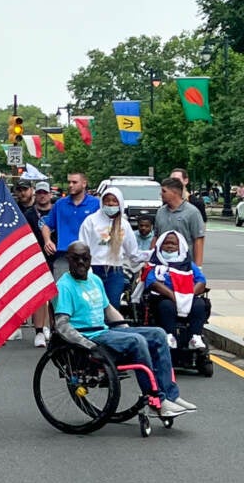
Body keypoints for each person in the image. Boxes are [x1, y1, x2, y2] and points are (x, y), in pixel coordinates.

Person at [53, 241, 196, 418]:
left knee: (158, 334)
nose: (81, 262)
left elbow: (109, 310)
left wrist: (126, 328)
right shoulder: (64, 286)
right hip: (88, 336)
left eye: (85, 258)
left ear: (90, 259)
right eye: (76, 259)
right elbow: (62, 325)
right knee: (137, 341)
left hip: (105, 331)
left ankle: (171, 395)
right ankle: (155, 399)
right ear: (68, 260)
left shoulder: (95, 280)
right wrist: (86, 344)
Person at [78, 187, 148, 309]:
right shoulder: (90, 221)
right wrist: (86, 270)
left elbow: (133, 253)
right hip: (94, 269)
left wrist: (152, 255)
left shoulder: (124, 225)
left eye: (114, 201)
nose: (110, 203)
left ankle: (112, 328)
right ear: (102, 202)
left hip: (115, 271)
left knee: (113, 305)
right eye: (107, 200)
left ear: (120, 203)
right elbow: (82, 248)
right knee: (94, 305)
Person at [145, 231, 208, 350]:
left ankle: (195, 337)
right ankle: (170, 336)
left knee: (200, 304)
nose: (169, 246)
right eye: (166, 243)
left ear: (180, 247)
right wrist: (173, 296)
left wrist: (188, 296)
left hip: (187, 295)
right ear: (160, 245)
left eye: (173, 244)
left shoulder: (189, 264)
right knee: (167, 305)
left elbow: (201, 281)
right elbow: (152, 282)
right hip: (165, 297)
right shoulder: (154, 263)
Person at [41, 172, 101, 279]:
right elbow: (47, 225)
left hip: (87, 255)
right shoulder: (60, 204)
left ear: (84, 184)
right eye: (69, 182)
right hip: (63, 255)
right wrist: (47, 241)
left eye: (74, 182)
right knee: (62, 289)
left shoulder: (96, 204)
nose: (70, 185)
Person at [24, 181, 55, 347]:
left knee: (56, 296)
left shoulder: (57, 211)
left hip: (57, 258)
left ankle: (54, 327)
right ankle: (39, 331)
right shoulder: (29, 214)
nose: (42, 196)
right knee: (40, 296)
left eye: (45, 193)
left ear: (50, 194)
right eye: (40, 193)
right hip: (36, 258)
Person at [154, 177, 205, 267]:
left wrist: (198, 267)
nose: (161, 194)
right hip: (162, 264)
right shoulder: (160, 212)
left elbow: (198, 240)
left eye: (164, 191)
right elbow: (156, 237)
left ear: (175, 193)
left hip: (184, 265)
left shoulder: (192, 212)